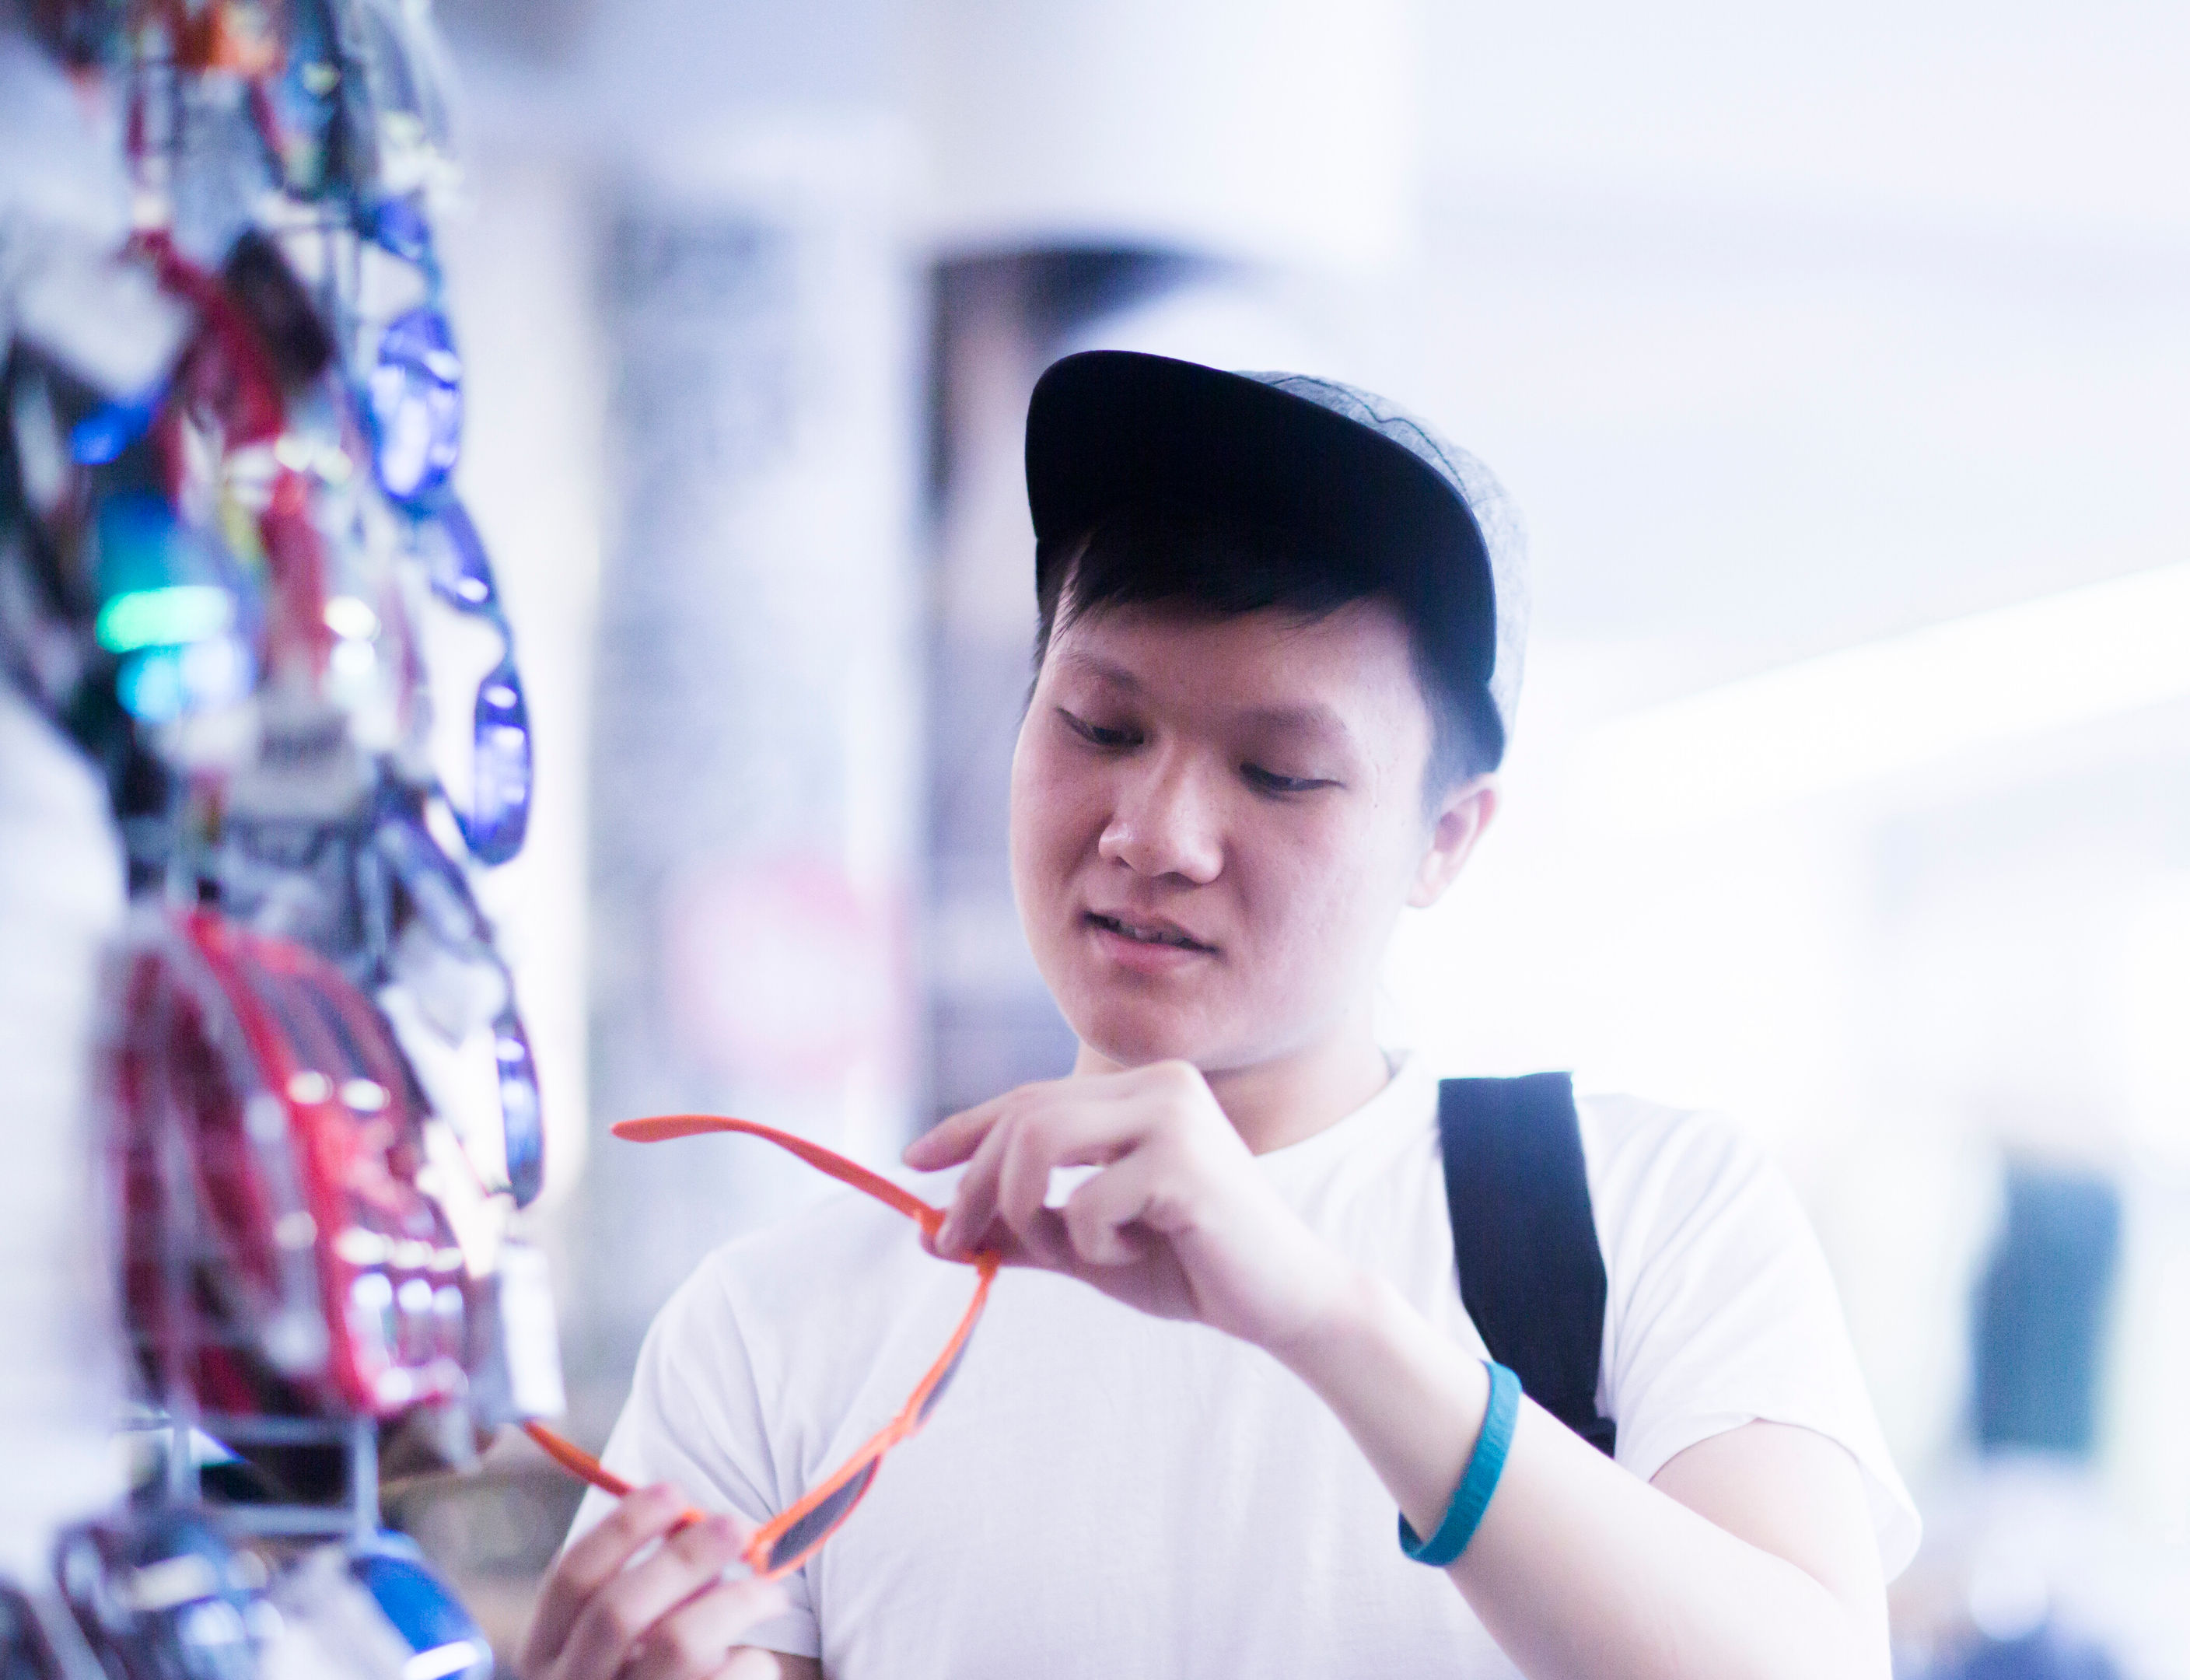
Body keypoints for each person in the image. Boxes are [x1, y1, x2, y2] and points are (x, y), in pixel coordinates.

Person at [518, 352, 1917, 1680]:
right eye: (1100, 727)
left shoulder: (1637, 1212)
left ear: (1446, 840)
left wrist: (1316, 1314)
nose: (1158, 832)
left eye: (1282, 773)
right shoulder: (783, 1325)